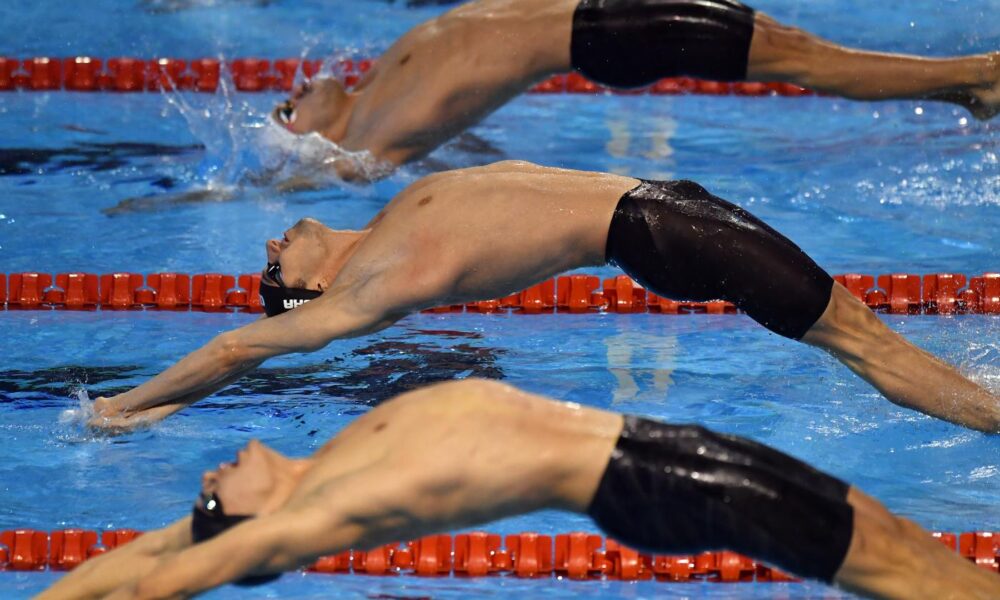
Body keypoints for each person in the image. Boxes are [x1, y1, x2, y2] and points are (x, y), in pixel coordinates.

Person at [89, 161, 1000, 432]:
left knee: (866, 336)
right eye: (274, 276)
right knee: (866, 342)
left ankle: (982, 402)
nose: (270, 248)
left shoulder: (386, 224)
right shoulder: (368, 288)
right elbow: (238, 349)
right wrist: (125, 406)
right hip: (662, 233)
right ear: (314, 292)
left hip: (668, 209)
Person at [42, 379, 1000, 599]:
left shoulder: (328, 465)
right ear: (252, 524)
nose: (207, 479)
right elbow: (166, 577)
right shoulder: (321, 511)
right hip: (653, 483)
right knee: (891, 566)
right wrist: (211, 541)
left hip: (660, 450)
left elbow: (158, 550)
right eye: (213, 498)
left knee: (888, 535)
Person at [273, 0, 1000, 179]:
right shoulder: (379, 130)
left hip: (610, 20)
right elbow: (355, 169)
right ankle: (975, 79)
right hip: (613, 31)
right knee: (805, 59)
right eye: (287, 107)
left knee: (796, 49)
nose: (297, 86)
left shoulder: (378, 86)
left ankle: (966, 86)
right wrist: (283, 176)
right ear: (310, 134)